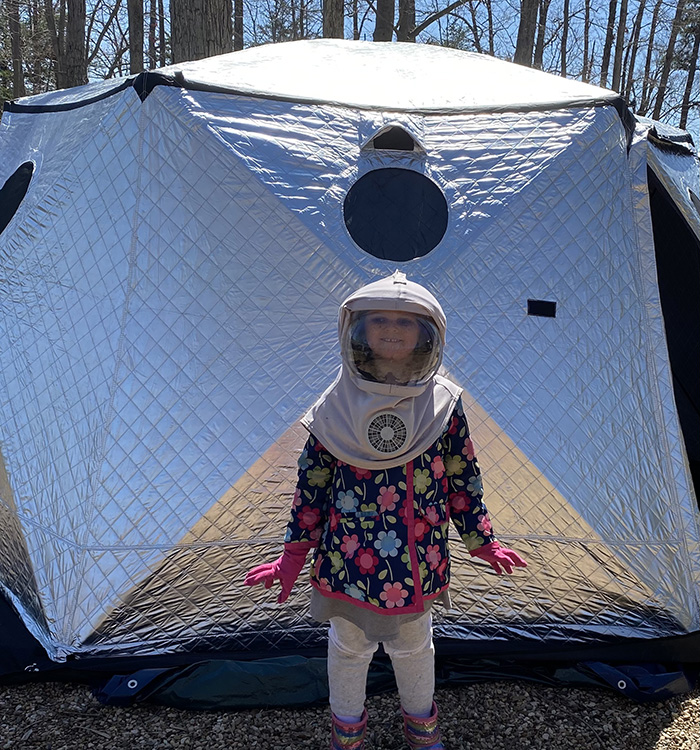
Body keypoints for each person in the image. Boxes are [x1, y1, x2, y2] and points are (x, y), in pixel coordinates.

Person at [244, 271, 527, 750]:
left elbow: (461, 473)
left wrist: (481, 538)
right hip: (349, 561)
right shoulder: (334, 407)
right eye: (378, 320)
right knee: (349, 649)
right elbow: (311, 487)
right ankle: (347, 734)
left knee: (415, 647)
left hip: (418, 557)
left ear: (428, 333)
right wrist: (292, 554)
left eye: (404, 321)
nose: (391, 329)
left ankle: (422, 730)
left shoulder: (444, 404)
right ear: (356, 329)